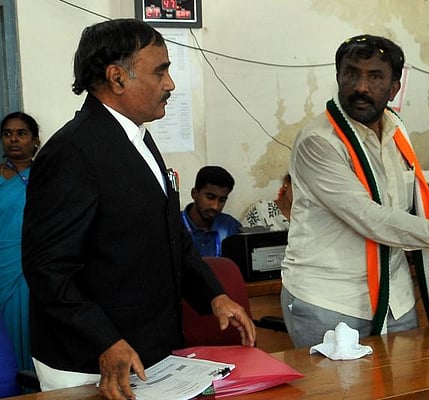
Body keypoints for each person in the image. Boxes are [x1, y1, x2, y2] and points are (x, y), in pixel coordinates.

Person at [22, 19, 255, 399]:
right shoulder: (71, 152)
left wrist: (214, 295)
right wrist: (104, 340)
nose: (170, 84)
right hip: (89, 360)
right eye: (160, 71)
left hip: (147, 350)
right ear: (117, 78)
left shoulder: (138, 139)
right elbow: (48, 269)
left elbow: (171, 234)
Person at [282, 34, 429, 348]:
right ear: (338, 77)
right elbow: (372, 218)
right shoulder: (318, 141)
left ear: (394, 87)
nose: (361, 86)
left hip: (395, 299)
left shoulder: (396, 130)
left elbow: (406, 209)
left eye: (374, 76)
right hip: (330, 301)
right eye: (351, 74)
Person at [0, 112, 39, 374]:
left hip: (32, 266)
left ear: (35, 141)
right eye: (7, 134)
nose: (13, 139)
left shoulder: (46, 176)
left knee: (28, 325)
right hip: (3, 264)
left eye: (21, 133)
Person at [182, 165, 242, 256]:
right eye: (210, 197)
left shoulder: (231, 227)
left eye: (222, 200)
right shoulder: (173, 226)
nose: (215, 207)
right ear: (194, 193)